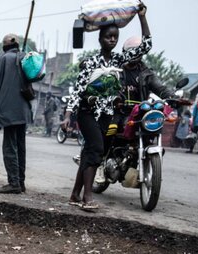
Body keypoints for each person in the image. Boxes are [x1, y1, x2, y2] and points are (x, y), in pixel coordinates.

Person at [61, 4, 151, 211]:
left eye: (115, 37)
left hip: (107, 115)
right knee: (96, 150)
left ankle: (75, 194)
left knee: (89, 153)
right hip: (87, 113)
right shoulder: (90, 62)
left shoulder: (120, 60)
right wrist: (68, 116)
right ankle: (87, 197)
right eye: (108, 37)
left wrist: (142, 18)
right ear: (100, 39)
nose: (112, 40)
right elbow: (77, 91)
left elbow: (146, 46)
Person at [0, 34, 32, 194]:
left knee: (10, 147)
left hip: (8, 110)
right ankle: (20, 182)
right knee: (20, 146)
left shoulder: (3, 59)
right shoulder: (24, 57)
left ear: (5, 45)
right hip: (23, 110)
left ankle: (14, 183)